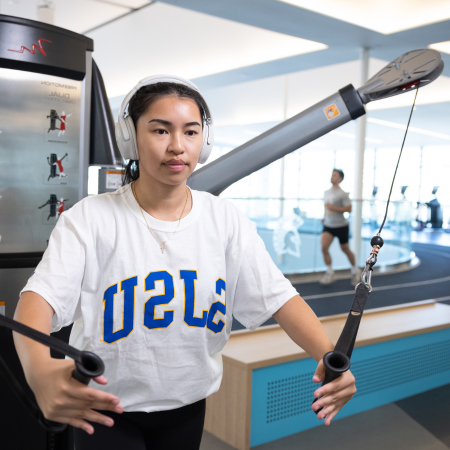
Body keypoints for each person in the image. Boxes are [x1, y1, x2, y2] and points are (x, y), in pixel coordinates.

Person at [13, 76, 356, 450]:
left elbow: (279, 298)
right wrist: (38, 368)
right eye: (160, 130)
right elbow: (38, 299)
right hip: (103, 409)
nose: (177, 146)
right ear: (130, 137)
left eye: (191, 132)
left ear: (203, 142)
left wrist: (329, 357)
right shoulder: (89, 219)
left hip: (187, 406)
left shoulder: (225, 220)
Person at [320, 169, 360, 285]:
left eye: (335, 175)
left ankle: (355, 271)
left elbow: (349, 209)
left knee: (345, 249)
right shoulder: (326, 192)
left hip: (341, 226)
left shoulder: (343, 194)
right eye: (332, 174)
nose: (332, 177)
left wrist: (334, 208)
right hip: (328, 225)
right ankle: (330, 273)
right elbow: (326, 207)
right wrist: (325, 216)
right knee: (324, 248)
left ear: (340, 178)